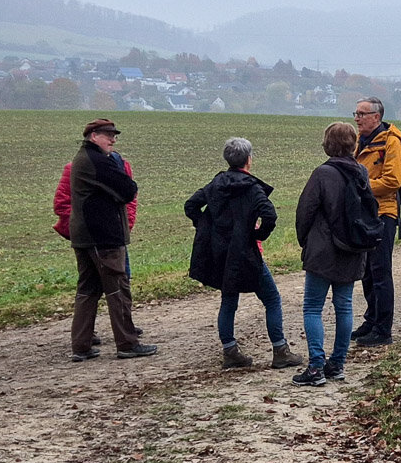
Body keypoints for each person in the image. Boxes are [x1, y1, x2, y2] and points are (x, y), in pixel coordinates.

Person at [185, 137, 300, 371]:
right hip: (246, 254)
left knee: (228, 301)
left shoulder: (215, 184)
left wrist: (207, 226)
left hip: (221, 254)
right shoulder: (252, 188)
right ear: (249, 159)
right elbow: (270, 216)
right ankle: (280, 351)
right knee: (272, 299)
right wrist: (258, 235)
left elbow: (190, 205)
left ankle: (230, 351)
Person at [69, 118, 157, 361]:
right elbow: (128, 189)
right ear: (93, 135)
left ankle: (81, 346)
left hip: (84, 236)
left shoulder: (81, 159)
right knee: (118, 288)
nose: (113, 140)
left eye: (114, 135)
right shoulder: (98, 161)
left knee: (87, 290)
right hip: (103, 237)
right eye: (108, 135)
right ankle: (127, 343)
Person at [293, 121, 368, 386]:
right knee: (344, 306)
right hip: (352, 248)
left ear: (327, 144)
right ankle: (337, 364)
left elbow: (305, 211)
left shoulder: (322, 174)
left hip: (323, 250)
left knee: (313, 306)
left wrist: (305, 241)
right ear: (353, 144)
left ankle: (315, 367)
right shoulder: (362, 172)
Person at [351, 98, 401, 349]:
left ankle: (383, 329)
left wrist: (359, 189)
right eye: (356, 114)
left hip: (383, 214)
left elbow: (393, 180)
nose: (357, 118)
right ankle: (371, 320)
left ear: (377, 116)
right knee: (366, 272)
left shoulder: (391, 142)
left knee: (381, 272)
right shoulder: (360, 142)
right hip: (364, 214)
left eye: (362, 114)